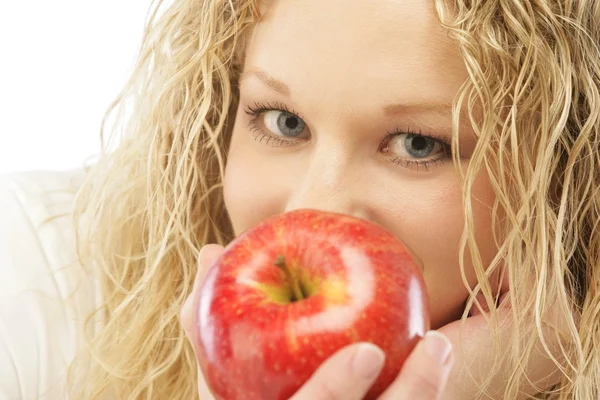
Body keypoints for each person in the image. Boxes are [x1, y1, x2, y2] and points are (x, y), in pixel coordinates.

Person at [1, 0, 598, 398]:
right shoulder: (33, 273)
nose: (313, 209)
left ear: (567, 178)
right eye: (284, 121)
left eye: (418, 144)